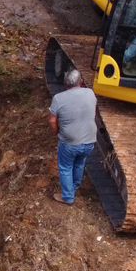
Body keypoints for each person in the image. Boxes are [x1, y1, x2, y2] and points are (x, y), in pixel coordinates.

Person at [48, 69, 98, 205]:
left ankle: (68, 197)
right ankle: (75, 186)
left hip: (70, 142)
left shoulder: (59, 98)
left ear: (65, 84)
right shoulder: (90, 93)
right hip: (89, 140)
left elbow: (52, 121)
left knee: (65, 167)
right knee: (80, 162)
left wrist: (56, 132)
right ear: (81, 81)